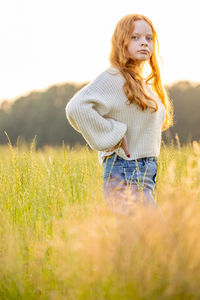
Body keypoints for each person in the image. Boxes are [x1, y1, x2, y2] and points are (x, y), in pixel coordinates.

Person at [65, 14, 173, 215]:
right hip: (126, 170)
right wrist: (112, 135)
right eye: (135, 37)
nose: (144, 43)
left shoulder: (141, 83)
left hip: (144, 173)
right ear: (121, 40)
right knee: (156, 242)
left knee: (144, 244)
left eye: (149, 38)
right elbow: (76, 108)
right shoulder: (114, 77)